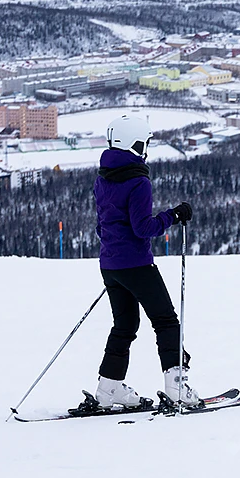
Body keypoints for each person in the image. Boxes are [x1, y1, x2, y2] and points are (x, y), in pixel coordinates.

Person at [92, 114, 200, 408]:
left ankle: (108, 389)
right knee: (165, 321)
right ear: (134, 143)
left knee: (124, 325)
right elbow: (144, 229)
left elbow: (102, 226)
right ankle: (177, 387)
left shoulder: (103, 178)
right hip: (137, 264)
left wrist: (116, 254)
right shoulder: (138, 181)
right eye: (145, 142)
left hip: (110, 265)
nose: (146, 148)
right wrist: (174, 215)